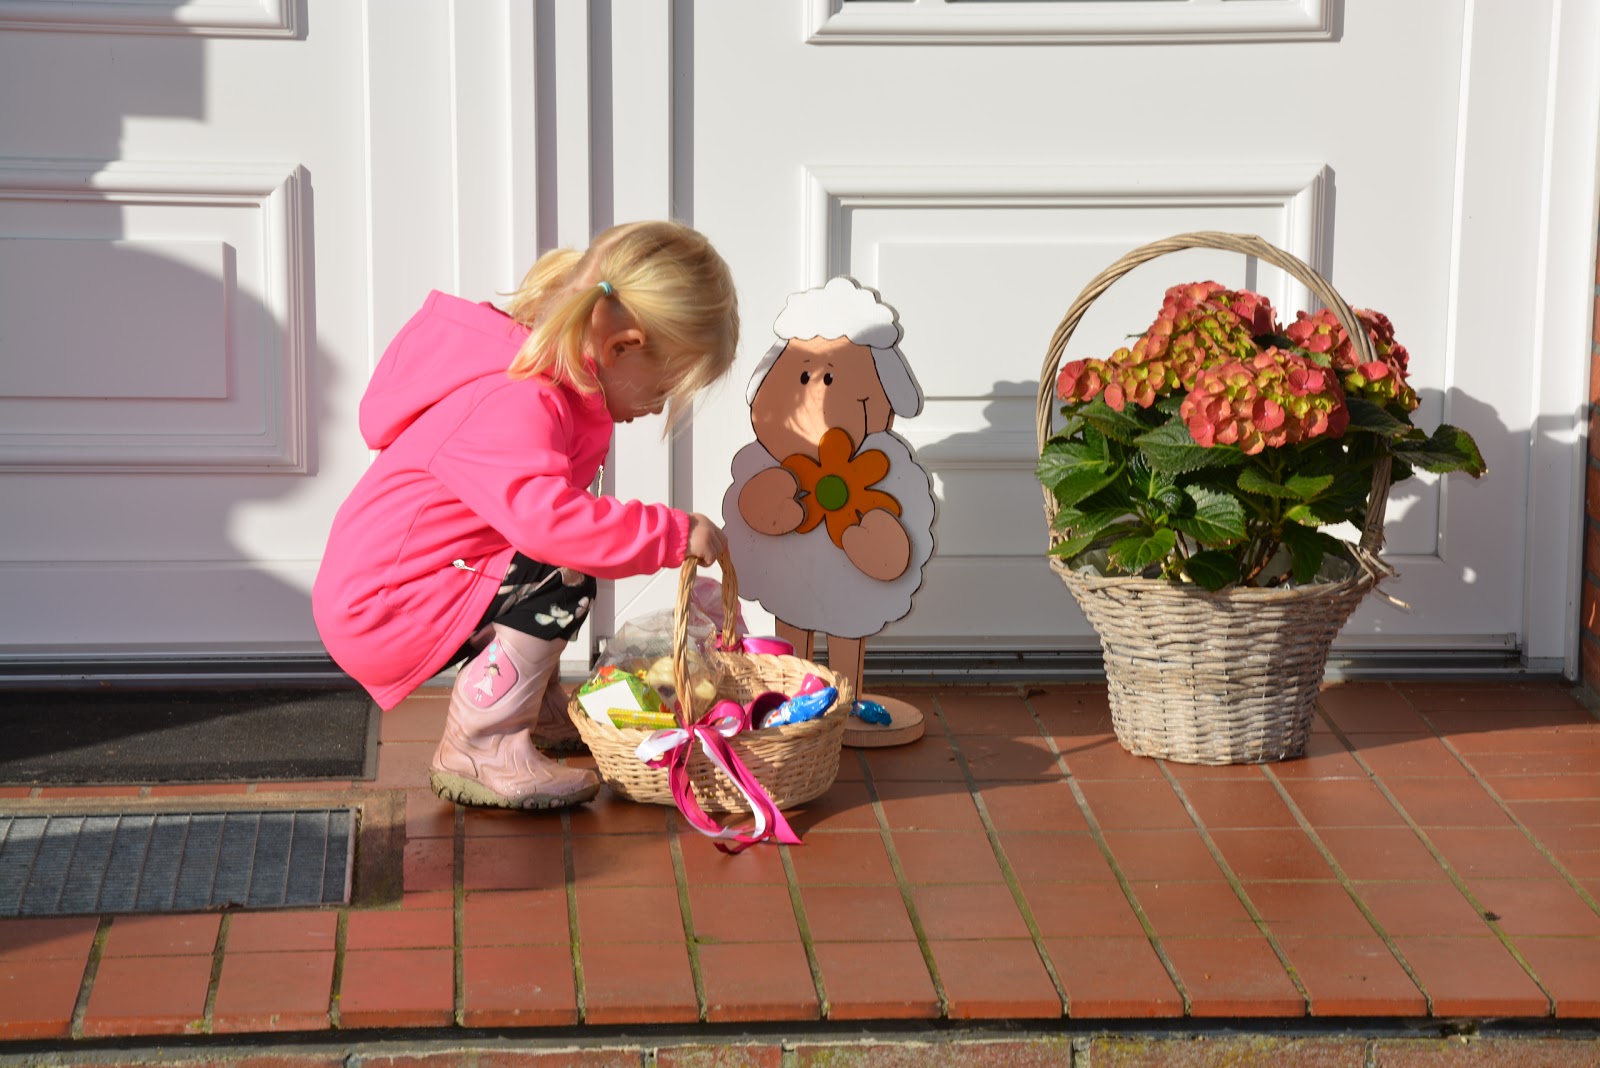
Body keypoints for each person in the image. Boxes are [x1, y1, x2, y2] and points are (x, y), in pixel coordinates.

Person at [312, 221, 738, 811]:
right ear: (621, 347)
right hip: (382, 606)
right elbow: (552, 527)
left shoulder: (544, 380)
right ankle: (481, 744)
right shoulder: (520, 399)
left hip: (396, 588)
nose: (659, 404)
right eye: (663, 387)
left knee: (559, 560)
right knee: (565, 564)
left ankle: (526, 706)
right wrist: (671, 534)